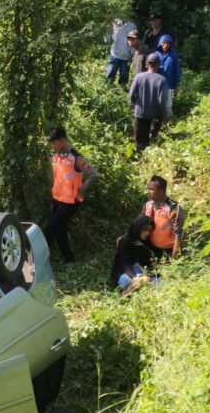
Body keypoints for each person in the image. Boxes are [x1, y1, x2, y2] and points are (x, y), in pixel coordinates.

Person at [44, 126, 99, 263]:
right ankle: (69, 259)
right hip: (57, 199)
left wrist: (81, 190)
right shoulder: (55, 157)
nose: (52, 146)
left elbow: (93, 174)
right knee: (59, 229)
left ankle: (38, 260)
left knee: (50, 229)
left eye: (54, 143)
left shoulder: (77, 158)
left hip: (71, 201)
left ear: (63, 140)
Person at [128, 53, 170, 152]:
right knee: (150, 138)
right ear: (158, 65)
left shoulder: (139, 77)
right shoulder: (162, 80)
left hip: (140, 113)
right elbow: (164, 102)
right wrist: (166, 116)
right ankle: (150, 150)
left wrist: (136, 105)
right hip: (154, 115)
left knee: (139, 139)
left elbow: (131, 96)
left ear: (146, 64)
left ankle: (138, 153)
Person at [110, 215, 156, 295]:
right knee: (127, 282)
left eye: (149, 230)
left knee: (159, 282)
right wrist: (135, 278)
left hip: (140, 271)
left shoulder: (145, 242)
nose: (148, 233)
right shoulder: (125, 241)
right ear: (138, 227)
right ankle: (133, 288)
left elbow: (147, 261)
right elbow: (125, 263)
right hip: (124, 272)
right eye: (145, 229)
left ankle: (131, 290)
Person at [142, 175, 185, 259]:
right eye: (148, 189)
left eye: (151, 189)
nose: (148, 192)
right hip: (151, 249)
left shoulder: (174, 209)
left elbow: (179, 236)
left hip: (168, 252)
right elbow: (140, 226)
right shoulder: (148, 205)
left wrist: (174, 260)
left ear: (161, 191)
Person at [156, 34, 181, 123]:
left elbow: (177, 70)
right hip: (157, 84)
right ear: (160, 44)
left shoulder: (174, 56)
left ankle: (168, 121)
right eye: (164, 43)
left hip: (169, 84)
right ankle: (158, 121)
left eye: (168, 43)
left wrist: (177, 84)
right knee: (157, 103)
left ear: (170, 44)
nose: (166, 45)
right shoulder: (156, 55)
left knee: (168, 104)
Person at [105, 18, 137, 86]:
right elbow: (107, 38)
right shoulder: (113, 23)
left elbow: (134, 41)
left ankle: (122, 91)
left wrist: (131, 55)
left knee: (124, 76)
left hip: (126, 57)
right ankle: (107, 88)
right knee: (110, 73)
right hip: (114, 55)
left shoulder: (132, 26)